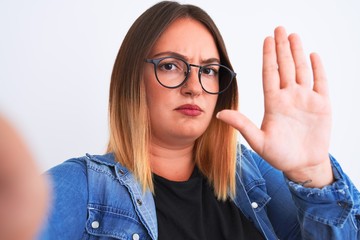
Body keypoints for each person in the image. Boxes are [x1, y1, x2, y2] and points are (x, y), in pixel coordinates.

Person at [2, 1, 359, 239]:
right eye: (171, 66)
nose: (194, 87)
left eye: (209, 70)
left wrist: (312, 172)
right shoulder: (87, 187)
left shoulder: (253, 176)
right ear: (132, 80)